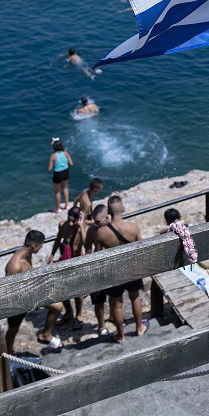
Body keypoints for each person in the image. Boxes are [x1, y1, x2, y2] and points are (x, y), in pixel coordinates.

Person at [87, 197, 147, 342]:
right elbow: (142, 249)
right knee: (135, 297)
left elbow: (98, 254)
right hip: (132, 268)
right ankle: (139, 328)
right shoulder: (133, 227)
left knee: (116, 304)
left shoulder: (101, 233)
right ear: (123, 208)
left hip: (114, 271)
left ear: (108, 211)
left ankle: (121, 335)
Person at [4, 229, 62, 352]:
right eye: (41, 245)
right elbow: (8, 288)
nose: (41, 248)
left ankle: (46, 334)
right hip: (18, 300)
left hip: (30, 294)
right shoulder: (16, 263)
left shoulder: (27, 253)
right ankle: (8, 353)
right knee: (13, 328)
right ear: (34, 245)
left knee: (57, 307)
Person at [48, 205, 86, 324]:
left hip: (76, 261)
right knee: (62, 290)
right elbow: (58, 240)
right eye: (69, 219)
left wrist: (81, 225)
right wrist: (52, 255)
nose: (70, 223)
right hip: (64, 260)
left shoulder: (80, 229)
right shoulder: (62, 225)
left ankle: (79, 314)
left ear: (77, 219)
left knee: (77, 292)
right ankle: (69, 312)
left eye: (73, 220)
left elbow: (87, 243)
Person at [48, 137, 73, 210]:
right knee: (65, 188)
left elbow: (49, 169)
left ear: (54, 147)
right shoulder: (66, 153)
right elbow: (71, 164)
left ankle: (58, 208)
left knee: (57, 192)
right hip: (65, 172)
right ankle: (66, 206)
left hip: (57, 174)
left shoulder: (53, 156)